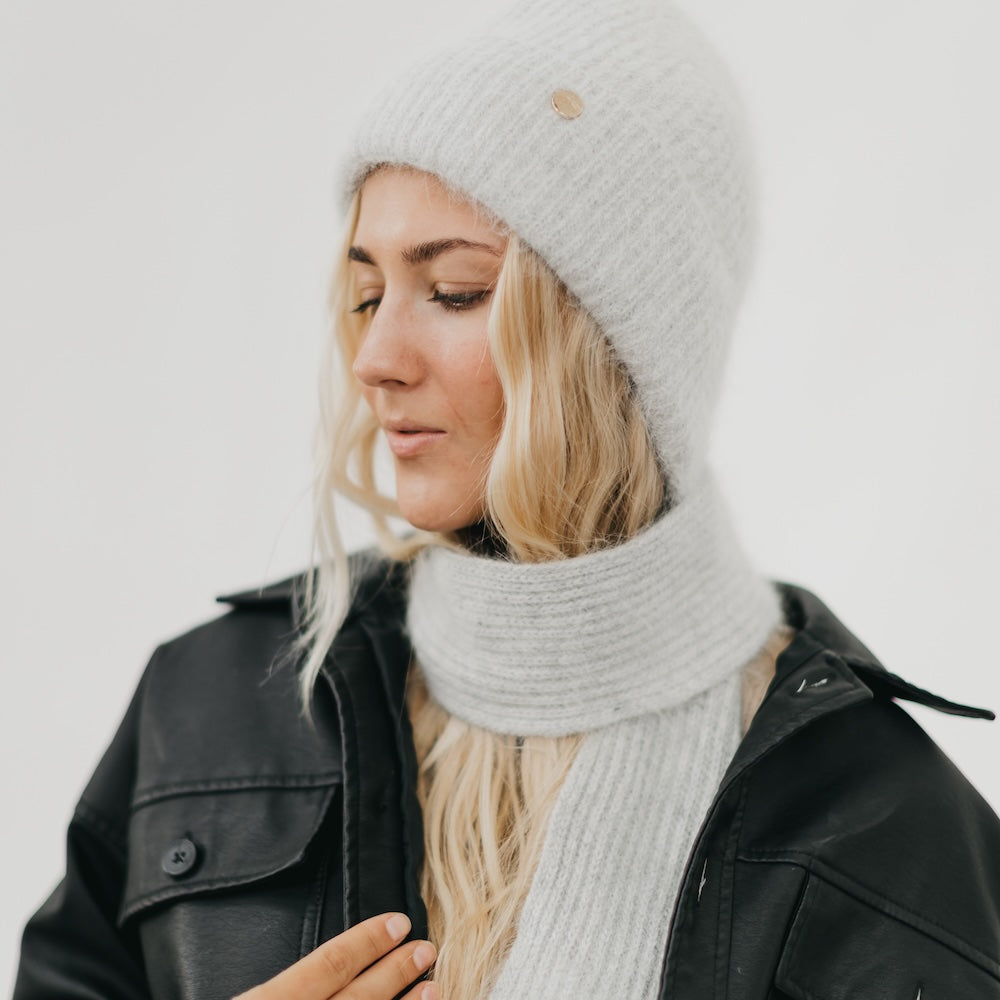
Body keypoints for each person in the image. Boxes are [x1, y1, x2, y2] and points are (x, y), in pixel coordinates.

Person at [13, 0, 1000, 997]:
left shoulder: (886, 825)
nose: (376, 358)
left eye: (452, 291)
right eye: (367, 295)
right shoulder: (208, 707)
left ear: (615, 343)